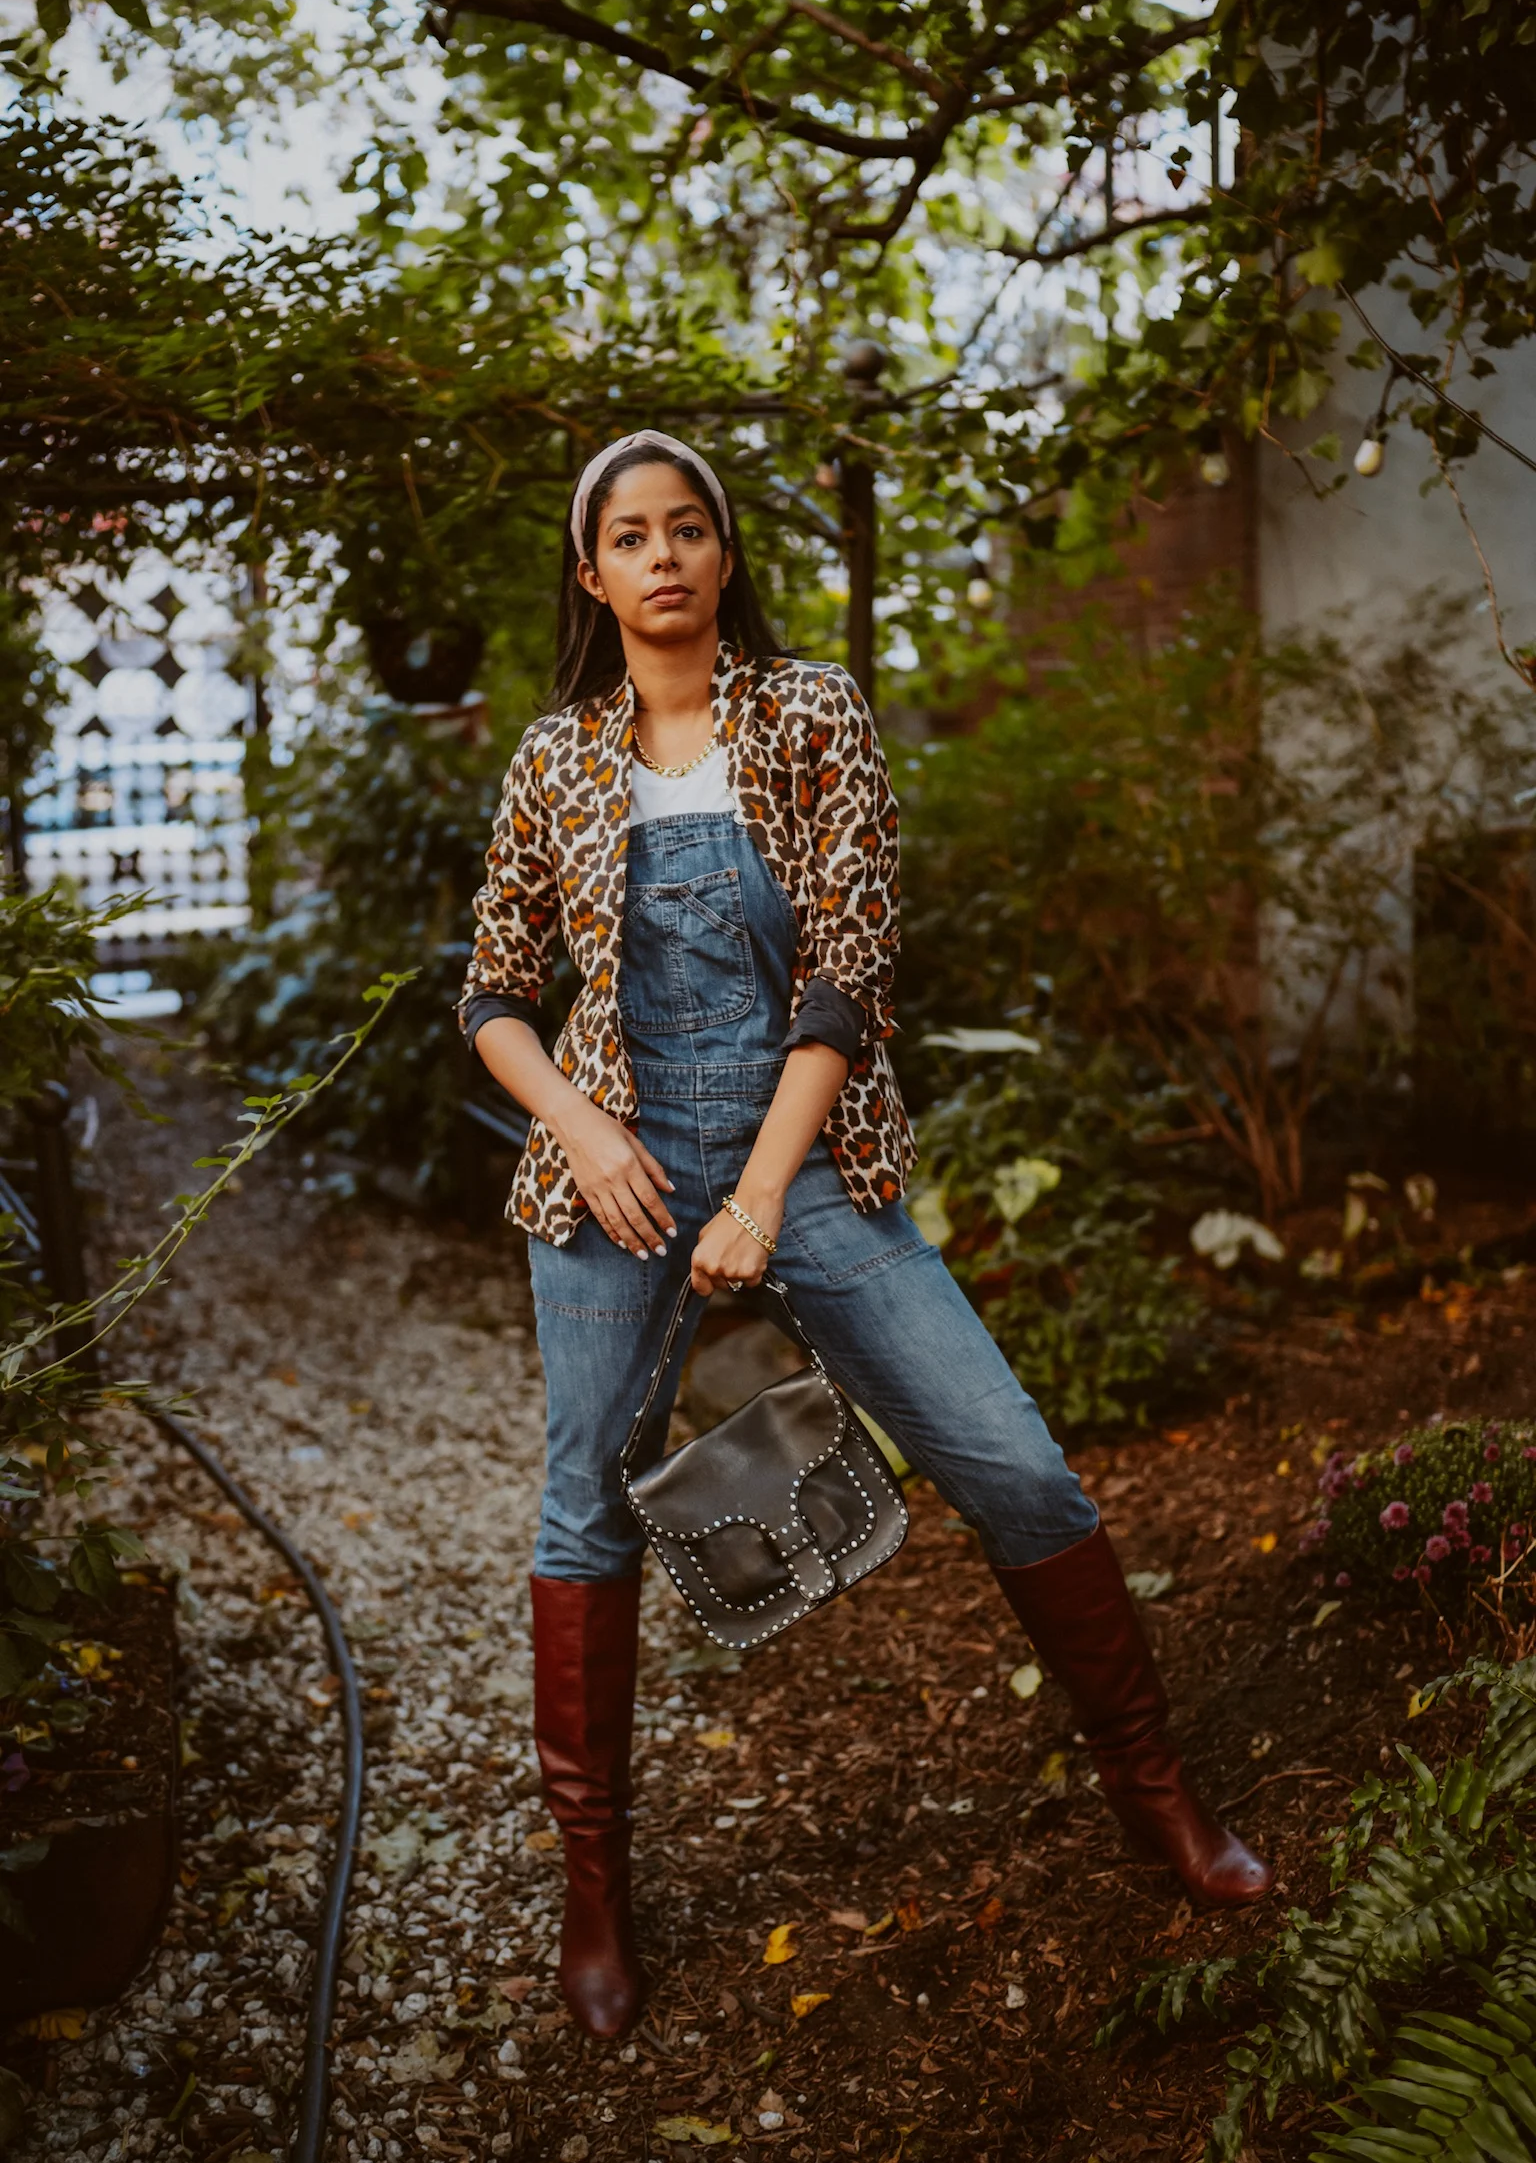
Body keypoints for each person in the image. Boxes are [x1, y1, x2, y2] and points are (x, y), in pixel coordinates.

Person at [459, 430, 1273, 2039]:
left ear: (724, 554)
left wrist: (762, 1190)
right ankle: (597, 1891)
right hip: (610, 1182)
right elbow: (492, 992)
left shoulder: (813, 714)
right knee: (583, 1514)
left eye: (690, 529)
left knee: (1017, 1463)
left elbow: (849, 968)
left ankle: (1159, 1796)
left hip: (811, 1158)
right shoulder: (553, 760)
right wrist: (581, 1124)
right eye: (632, 537)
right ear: (594, 574)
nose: (665, 557)